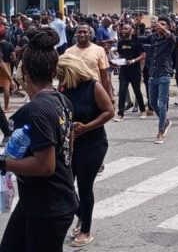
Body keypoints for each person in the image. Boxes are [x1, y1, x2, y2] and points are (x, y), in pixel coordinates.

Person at [0, 28, 78, 252]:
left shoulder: (38, 109)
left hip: (49, 206)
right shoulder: (61, 99)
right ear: (54, 69)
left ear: (23, 70)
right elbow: (68, 145)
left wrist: (3, 163)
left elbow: (45, 166)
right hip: (36, 199)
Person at [57, 54, 114, 247]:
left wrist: (87, 127)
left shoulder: (93, 86)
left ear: (71, 71)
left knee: (84, 185)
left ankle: (85, 230)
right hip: (71, 144)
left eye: (62, 73)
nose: (59, 77)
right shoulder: (64, 88)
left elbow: (109, 111)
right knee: (64, 184)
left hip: (93, 143)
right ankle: (81, 213)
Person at [138, 16, 175, 144]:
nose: (159, 25)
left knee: (161, 104)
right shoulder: (153, 37)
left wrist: (159, 27)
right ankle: (165, 122)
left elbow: (169, 36)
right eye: (158, 23)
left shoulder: (171, 38)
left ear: (168, 27)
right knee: (153, 103)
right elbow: (138, 38)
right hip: (152, 74)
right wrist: (136, 27)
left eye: (163, 24)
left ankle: (160, 132)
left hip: (164, 74)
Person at [65, 23, 113, 101]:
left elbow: (105, 76)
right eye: (79, 32)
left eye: (85, 32)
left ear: (90, 34)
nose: (82, 34)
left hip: (94, 92)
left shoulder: (99, 50)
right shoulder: (68, 52)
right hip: (75, 92)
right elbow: (65, 76)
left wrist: (110, 96)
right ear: (76, 34)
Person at [115, 24, 146, 121]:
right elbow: (121, 54)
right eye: (123, 28)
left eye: (126, 29)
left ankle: (142, 110)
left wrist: (132, 61)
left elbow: (143, 55)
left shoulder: (136, 42)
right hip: (124, 70)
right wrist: (116, 62)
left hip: (134, 70)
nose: (123, 30)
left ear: (131, 30)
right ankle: (120, 114)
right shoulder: (120, 42)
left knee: (137, 90)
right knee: (122, 91)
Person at [0, 29, 16, 112]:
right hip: (6, 66)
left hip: (2, 65)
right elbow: (14, 58)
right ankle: (6, 107)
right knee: (6, 87)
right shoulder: (9, 45)